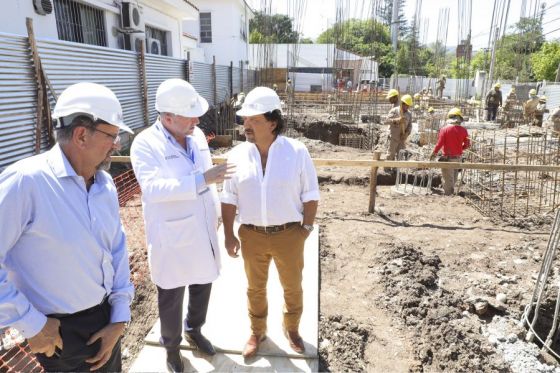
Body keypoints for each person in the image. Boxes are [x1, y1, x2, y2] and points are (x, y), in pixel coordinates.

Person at [0, 82, 134, 372]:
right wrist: (32, 325)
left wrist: (120, 317)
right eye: (113, 135)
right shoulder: (26, 183)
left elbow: (117, 249)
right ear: (82, 134)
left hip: (107, 320)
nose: (118, 144)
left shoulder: (105, 185)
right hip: (59, 334)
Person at [130, 79, 234, 372]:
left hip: (202, 226)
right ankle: (172, 348)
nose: (197, 120)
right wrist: (203, 180)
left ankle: (195, 329)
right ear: (167, 118)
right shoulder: (145, 144)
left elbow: (205, 173)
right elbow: (152, 188)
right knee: (172, 294)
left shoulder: (197, 135)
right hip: (172, 234)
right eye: (190, 116)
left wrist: (213, 209)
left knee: (203, 282)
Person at [220, 87, 320, 359]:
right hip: (251, 235)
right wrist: (229, 235)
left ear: (272, 122)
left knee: (292, 286)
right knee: (254, 287)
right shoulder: (237, 155)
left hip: (289, 234)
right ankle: (257, 331)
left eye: (254, 119)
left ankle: (292, 329)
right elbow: (228, 198)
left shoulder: (297, 152)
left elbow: (311, 195)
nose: (246, 124)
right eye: (245, 119)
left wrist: (305, 230)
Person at [430, 108, 470, 195]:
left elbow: (439, 144)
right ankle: (450, 194)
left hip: (447, 159)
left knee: (448, 181)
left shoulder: (444, 129)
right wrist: (459, 149)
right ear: (459, 119)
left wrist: (434, 153)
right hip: (458, 158)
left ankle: (448, 197)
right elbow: (467, 145)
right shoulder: (464, 130)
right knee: (453, 179)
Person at [385, 94, 413, 162]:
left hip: (402, 138)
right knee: (391, 154)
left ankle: (396, 170)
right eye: (407, 105)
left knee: (400, 155)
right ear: (402, 104)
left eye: (409, 105)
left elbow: (410, 126)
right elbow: (386, 121)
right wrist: (397, 120)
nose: (408, 107)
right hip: (393, 137)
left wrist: (406, 134)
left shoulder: (409, 114)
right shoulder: (394, 111)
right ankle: (387, 170)